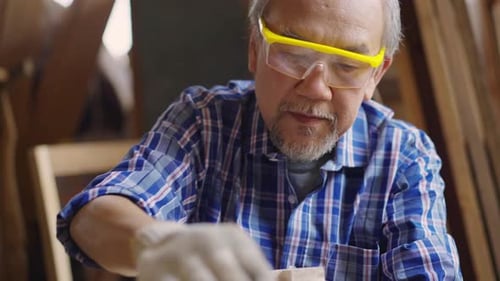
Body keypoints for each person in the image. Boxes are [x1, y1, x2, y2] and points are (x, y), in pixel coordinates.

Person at [57, 0, 463, 280]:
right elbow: (91, 218)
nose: (316, 88)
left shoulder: (402, 159)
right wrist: (155, 242)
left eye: (348, 66)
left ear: (375, 75)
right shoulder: (205, 124)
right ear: (255, 48)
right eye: (293, 53)